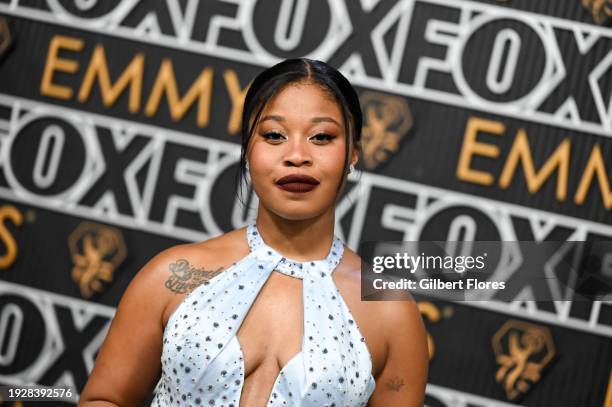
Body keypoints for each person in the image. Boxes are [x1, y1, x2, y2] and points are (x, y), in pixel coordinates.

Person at [79, 58, 428, 406]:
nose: (297, 155)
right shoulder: (171, 275)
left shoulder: (391, 314)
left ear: (352, 152)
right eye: (274, 135)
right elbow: (104, 399)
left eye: (322, 137)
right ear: (248, 148)